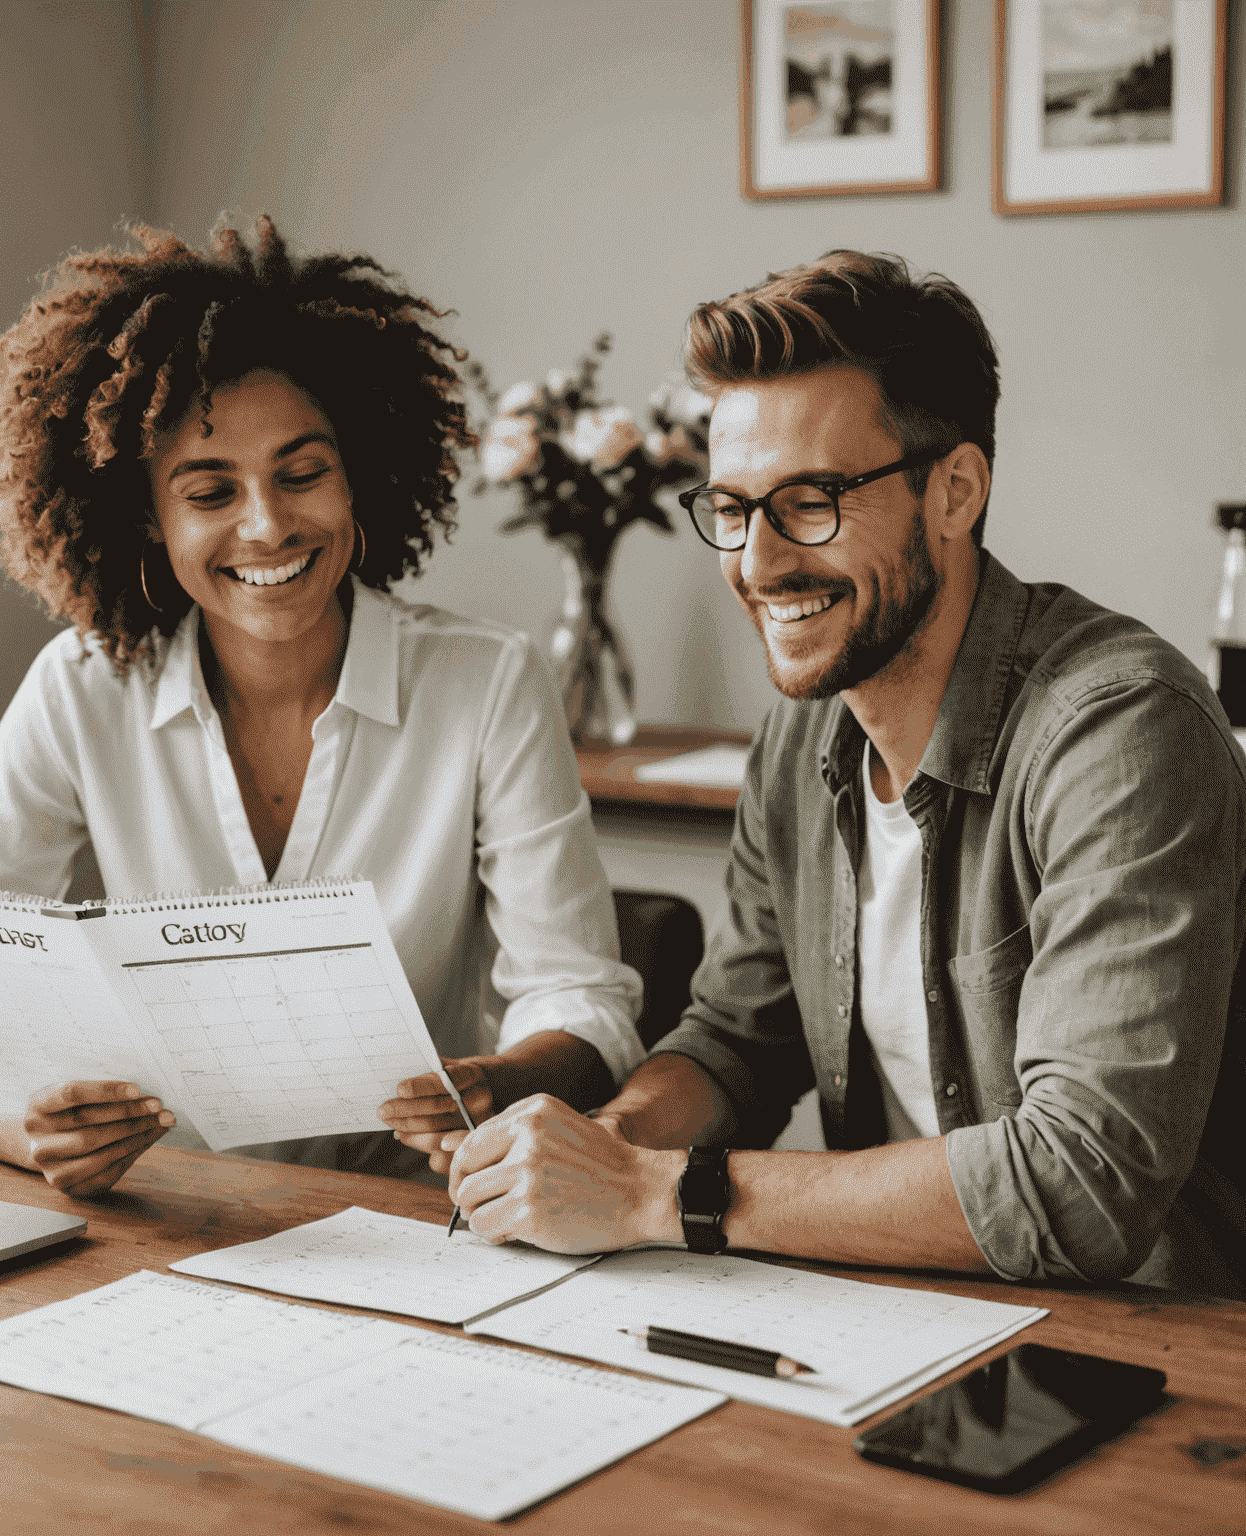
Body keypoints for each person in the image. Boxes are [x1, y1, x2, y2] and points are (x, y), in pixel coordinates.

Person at [446, 251, 1246, 1298]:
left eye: (810, 501)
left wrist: (656, 1193)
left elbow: (1082, 1183)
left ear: (955, 490)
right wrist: (601, 1145)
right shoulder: (804, 733)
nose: (759, 562)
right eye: (732, 508)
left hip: (1152, 1343)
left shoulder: (1123, 729)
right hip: (897, 1310)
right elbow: (738, 1039)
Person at [0, 217, 644, 1196]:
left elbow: (584, 999)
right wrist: (30, 1136)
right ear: (148, 519)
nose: (269, 525)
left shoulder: (485, 682)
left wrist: (497, 1083)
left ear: (361, 474)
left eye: (303, 474)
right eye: (211, 491)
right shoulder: (81, 688)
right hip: (162, 1216)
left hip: (413, 1219)